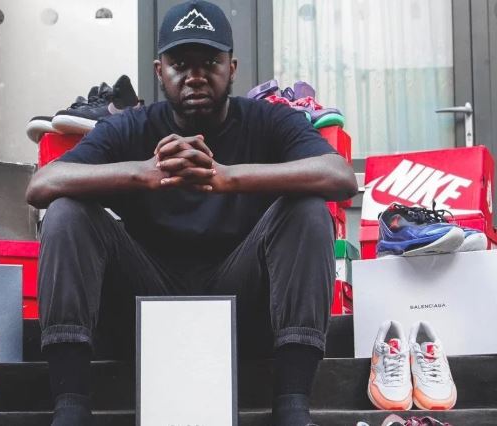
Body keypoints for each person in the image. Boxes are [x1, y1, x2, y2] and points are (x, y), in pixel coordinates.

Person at [26, 1, 358, 424]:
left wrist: (228, 177)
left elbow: (340, 176)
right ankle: (71, 407)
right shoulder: (131, 126)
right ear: (159, 70)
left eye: (209, 63)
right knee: (66, 213)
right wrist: (142, 174)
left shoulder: (268, 120)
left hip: (243, 307)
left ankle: (292, 406)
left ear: (232, 68)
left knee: (309, 209)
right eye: (180, 64)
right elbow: (41, 185)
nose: (195, 75)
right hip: (142, 306)